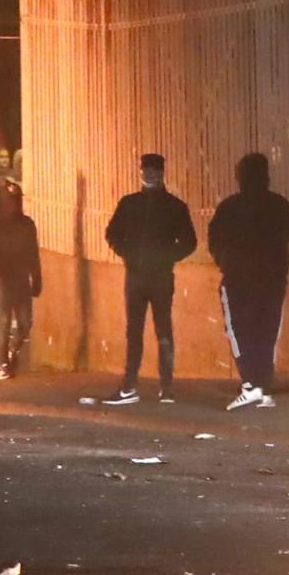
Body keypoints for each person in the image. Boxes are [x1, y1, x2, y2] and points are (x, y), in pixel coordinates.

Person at [102, 153, 197, 405]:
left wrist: (133, 255)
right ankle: (157, 387)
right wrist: (161, 257)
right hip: (150, 276)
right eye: (147, 171)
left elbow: (190, 242)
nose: (150, 175)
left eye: (153, 171)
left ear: (161, 173)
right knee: (151, 331)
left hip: (146, 276)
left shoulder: (144, 204)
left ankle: (137, 386)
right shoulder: (163, 205)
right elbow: (112, 234)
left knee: (149, 331)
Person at [208, 153, 289, 411]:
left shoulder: (229, 207)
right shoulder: (279, 205)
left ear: (240, 177)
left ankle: (250, 384)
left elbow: (215, 241)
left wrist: (226, 262)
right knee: (267, 330)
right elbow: (285, 236)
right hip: (272, 277)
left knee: (239, 330)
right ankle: (262, 385)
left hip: (239, 277)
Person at [0, 180, 41, 380]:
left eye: (17, 200)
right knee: (4, 322)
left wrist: (36, 278)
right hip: (2, 278)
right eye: (10, 200)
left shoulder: (27, 224)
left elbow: (33, 252)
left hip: (20, 277)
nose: (14, 204)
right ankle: (3, 364)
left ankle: (13, 350)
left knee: (26, 322)